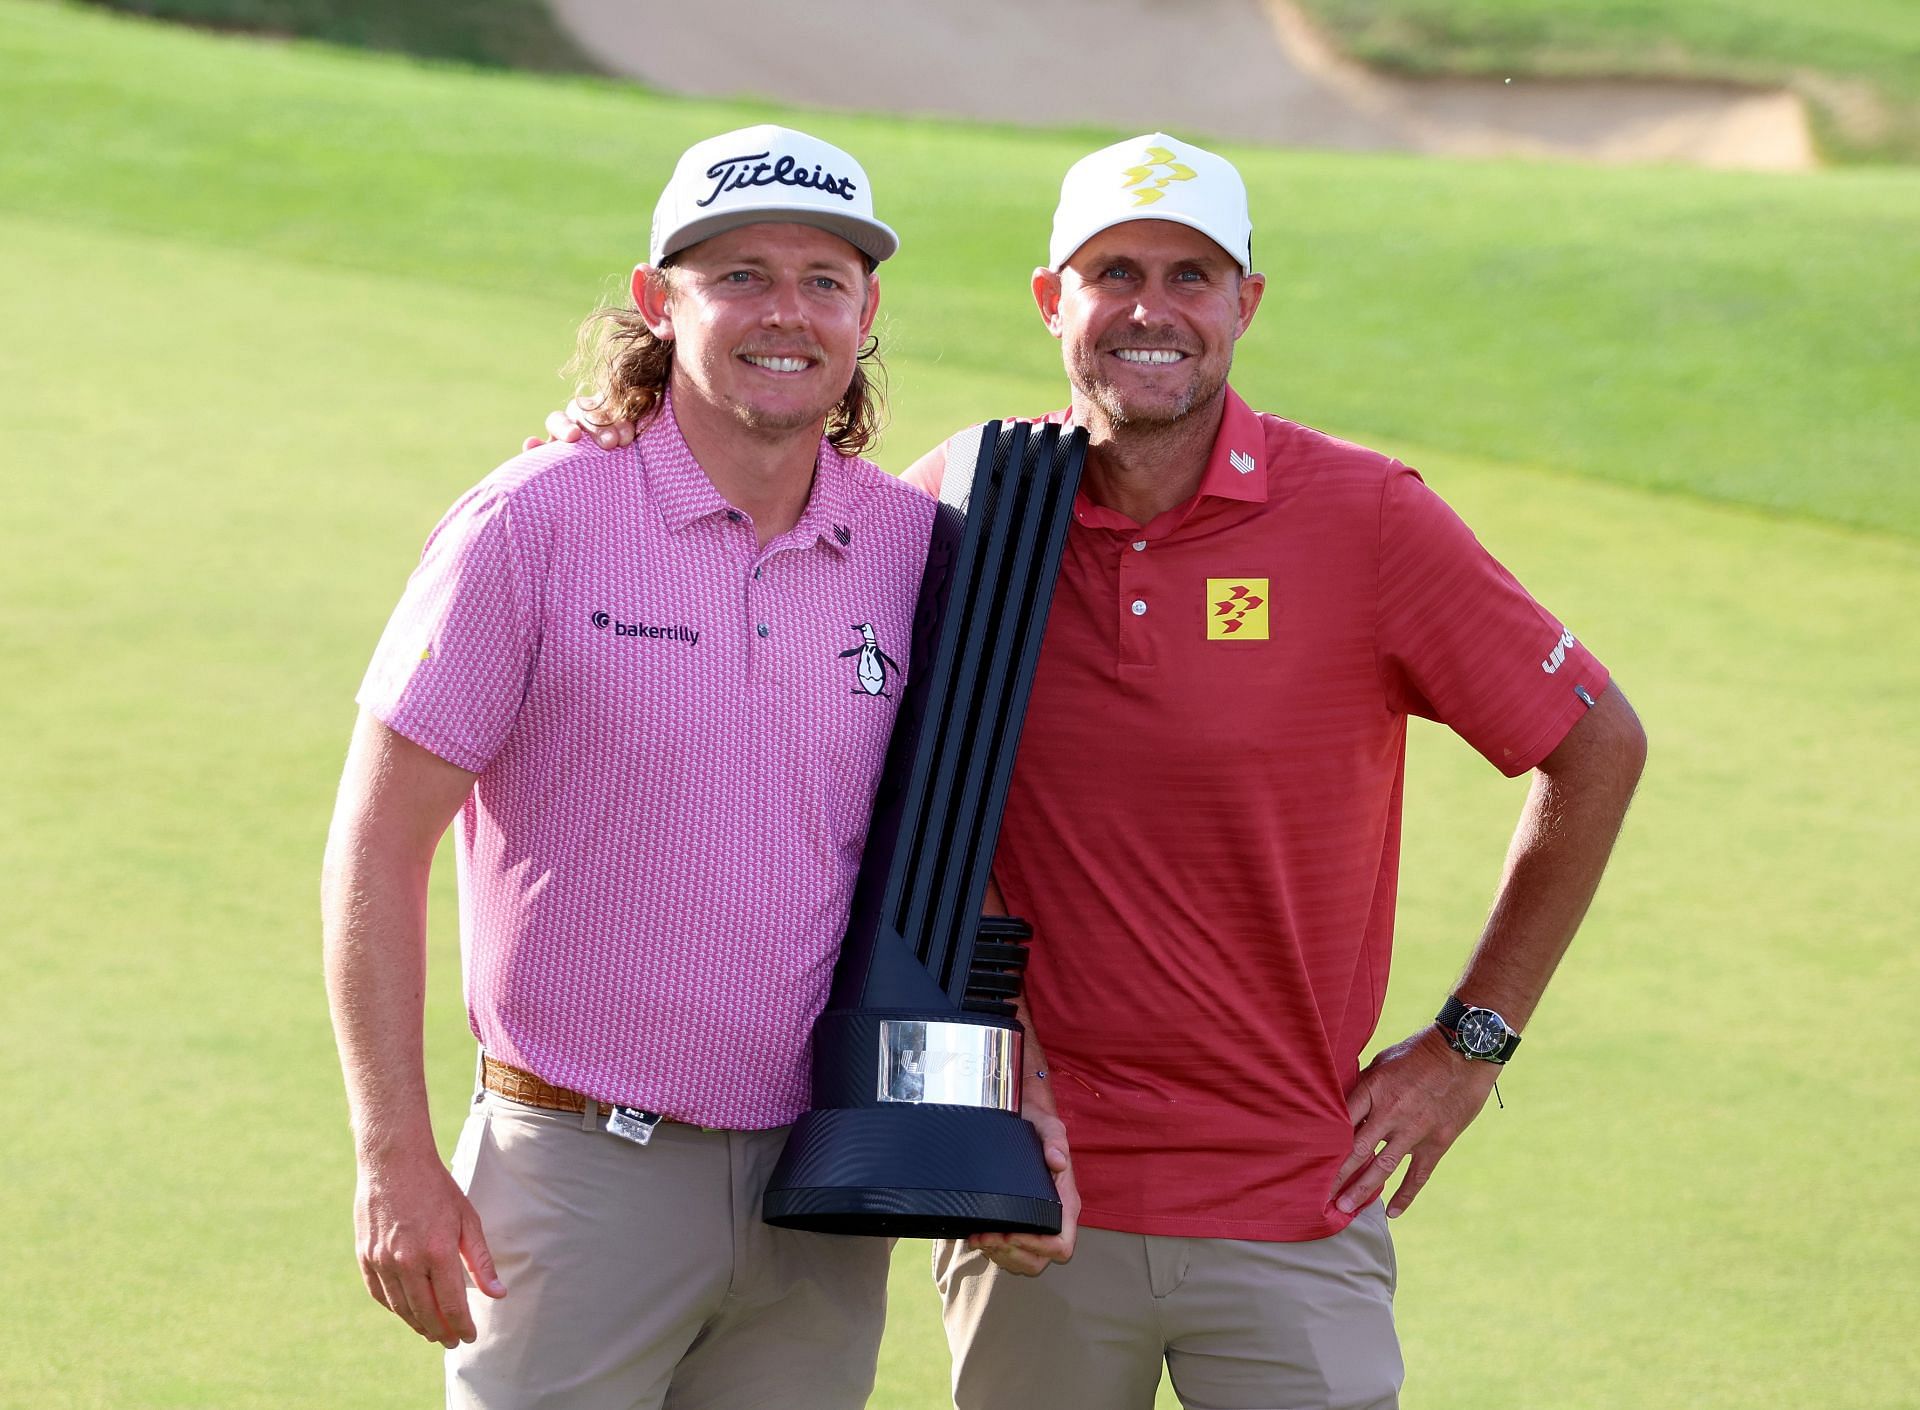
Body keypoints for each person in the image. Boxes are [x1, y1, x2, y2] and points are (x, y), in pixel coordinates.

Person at [546, 132, 1646, 1410]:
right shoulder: (959, 507)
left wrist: (1472, 1041)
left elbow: (1594, 742)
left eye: (1192, 276)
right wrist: (611, 447)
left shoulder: (1366, 517)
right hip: (1031, 1200)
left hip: (1292, 1202)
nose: (1151, 310)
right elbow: (767, 512)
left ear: (1247, 302)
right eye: (1113, 271)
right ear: (1051, 301)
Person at [319, 124, 1041, 1410]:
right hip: (577, 1174)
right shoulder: (532, 522)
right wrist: (394, 1154)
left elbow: (958, 856)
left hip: (819, 1184)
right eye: (742, 275)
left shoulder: (910, 545)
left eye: (825, 280)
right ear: (660, 302)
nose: (788, 313)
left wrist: (995, 1107)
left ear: (867, 310)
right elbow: (379, 839)